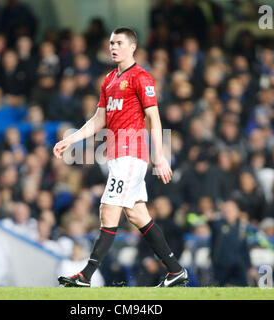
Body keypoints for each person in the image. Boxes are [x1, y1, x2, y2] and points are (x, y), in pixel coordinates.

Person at [54, 27, 188, 288]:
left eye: (118, 43)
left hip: (131, 155)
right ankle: (175, 270)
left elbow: (154, 118)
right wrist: (70, 138)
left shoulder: (142, 77)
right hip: (116, 155)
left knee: (108, 210)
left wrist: (159, 156)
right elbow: (99, 119)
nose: (113, 47)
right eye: (111, 43)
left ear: (132, 47)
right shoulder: (109, 79)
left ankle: (86, 275)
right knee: (138, 215)